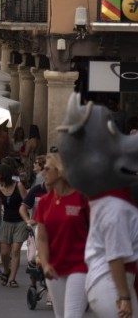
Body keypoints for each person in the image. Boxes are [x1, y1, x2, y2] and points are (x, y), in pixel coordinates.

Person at [58, 94, 138, 318]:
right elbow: (115, 255)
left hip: (110, 283)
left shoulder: (107, 201)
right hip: (112, 285)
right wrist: (123, 297)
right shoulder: (115, 207)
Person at [34, 151, 90, 318]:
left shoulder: (81, 198)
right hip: (54, 267)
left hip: (80, 265)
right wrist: (44, 264)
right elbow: (42, 238)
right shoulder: (44, 202)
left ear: (60, 170)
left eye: (47, 168)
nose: (43, 172)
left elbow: (95, 230)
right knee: (60, 315)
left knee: (72, 315)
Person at [0, 163, 27, 288]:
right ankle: (6, 270)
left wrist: (28, 220)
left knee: (15, 250)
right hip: (6, 221)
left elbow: (26, 203)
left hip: (20, 221)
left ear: (2, 175)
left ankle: (12, 278)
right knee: (4, 253)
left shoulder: (18, 185)